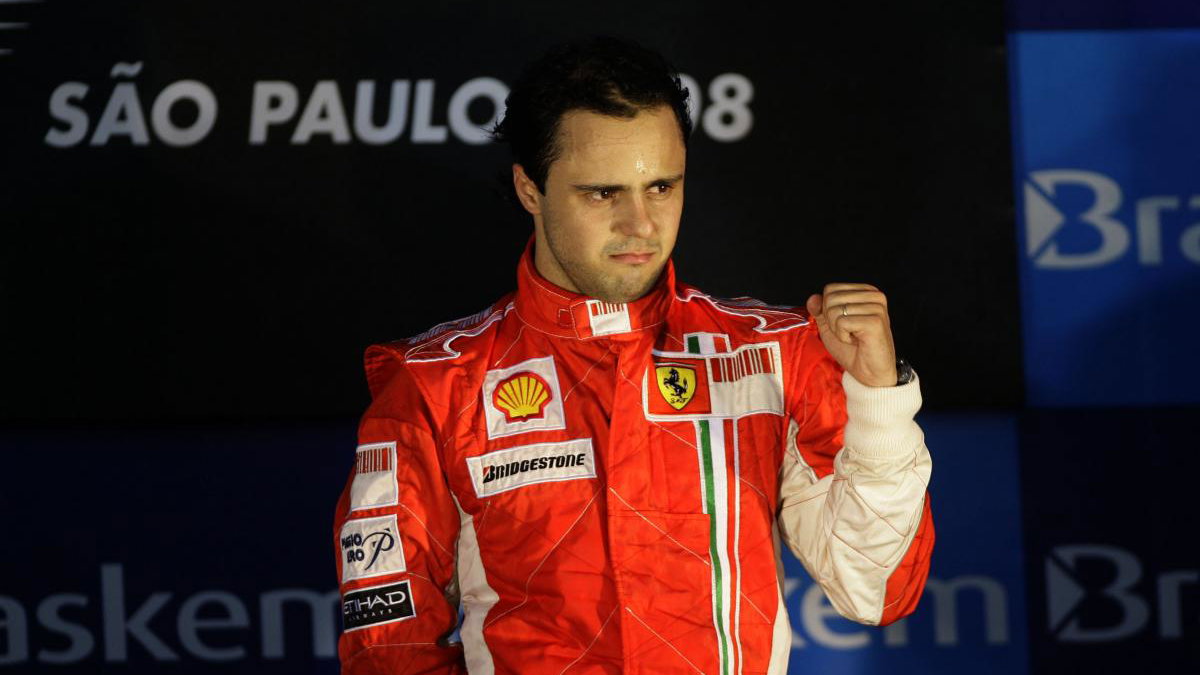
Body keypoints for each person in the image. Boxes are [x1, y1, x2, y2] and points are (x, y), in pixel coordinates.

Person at [333, 36, 934, 675]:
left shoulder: (772, 355)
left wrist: (879, 402)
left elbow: (877, 590)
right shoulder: (435, 385)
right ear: (529, 188)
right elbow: (389, 650)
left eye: (661, 187)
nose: (641, 224)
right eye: (602, 193)